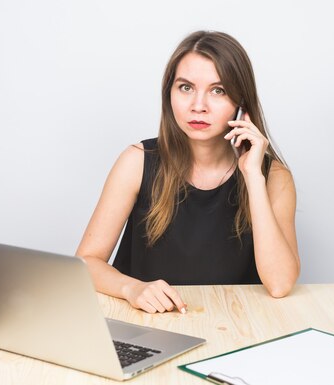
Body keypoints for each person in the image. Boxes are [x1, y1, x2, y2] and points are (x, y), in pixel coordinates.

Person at [76, 31, 300, 314]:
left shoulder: (274, 177)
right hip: (149, 322)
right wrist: (131, 288)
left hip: (236, 323)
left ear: (241, 104)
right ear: (169, 93)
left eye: (218, 91)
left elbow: (280, 284)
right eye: (185, 88)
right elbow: (86, 262)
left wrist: (253, 176)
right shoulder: (136, 161)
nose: (198, 106)